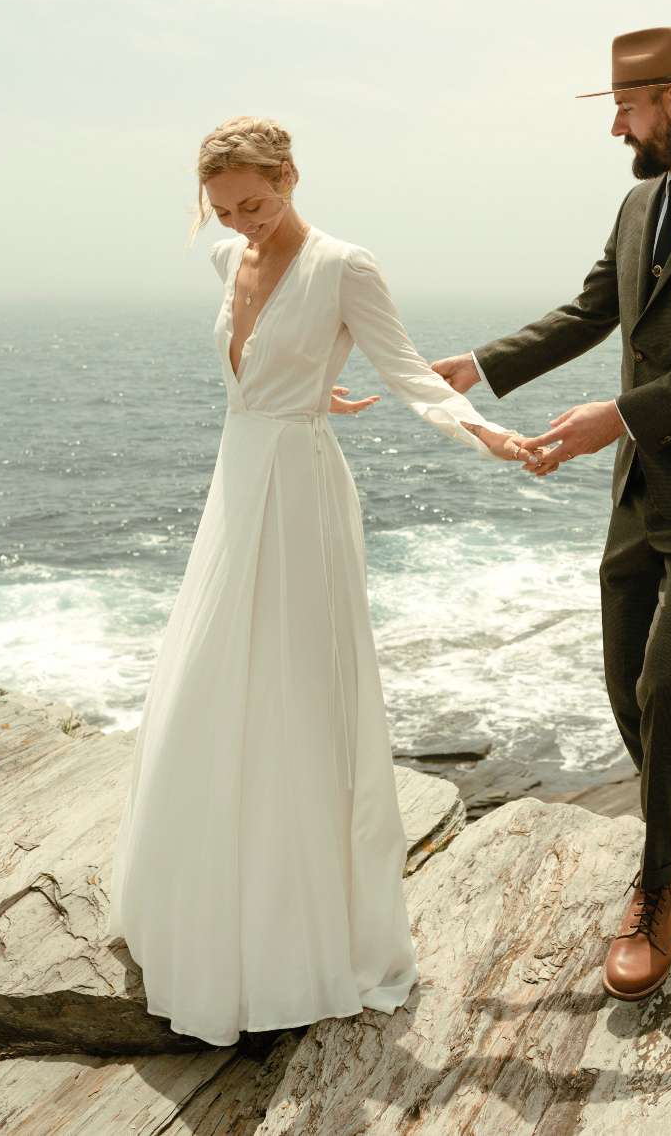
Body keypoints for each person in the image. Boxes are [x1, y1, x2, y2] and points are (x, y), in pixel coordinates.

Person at [104, 115, 534, 1046]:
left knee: (297, 691)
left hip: (299, 495)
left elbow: (411, 372)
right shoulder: (227, 261)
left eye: (254, 203)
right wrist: (305, 375)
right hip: (238, 477)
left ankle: (300, 928)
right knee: (211, 679)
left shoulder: (347, 265)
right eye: (223, 212)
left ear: (291, 176)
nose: (241, 224)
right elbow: (259, 359)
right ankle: (205, 893)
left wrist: (486, 432)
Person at [433, 26, 671, 1002]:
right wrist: (479, 366)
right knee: (625, 686)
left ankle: (661, 893)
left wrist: (617, 415)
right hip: (641, 492)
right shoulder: (639, 199)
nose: (615, 126)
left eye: (626, 107)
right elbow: (592, 309)